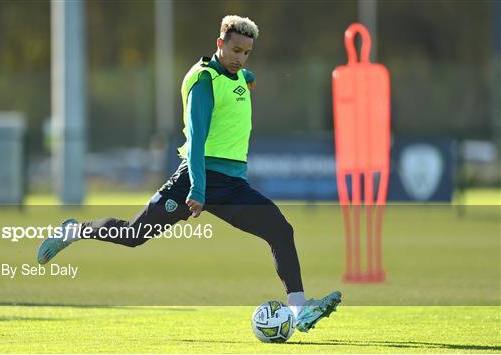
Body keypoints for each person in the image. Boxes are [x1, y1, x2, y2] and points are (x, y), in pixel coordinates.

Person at [37, 15, 341, 332]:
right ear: (220, 43)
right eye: (235, 50)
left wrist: (243, 74)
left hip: (232, 185)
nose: (240, 58)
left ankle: (298, 311)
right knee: (132, 235)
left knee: (280, 230)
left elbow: (237, 79)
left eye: (246, 53)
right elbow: (196, 141)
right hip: (196, 178)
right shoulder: (203, 82)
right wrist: (197, 188)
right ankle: (74, 231)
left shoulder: (238, 76)